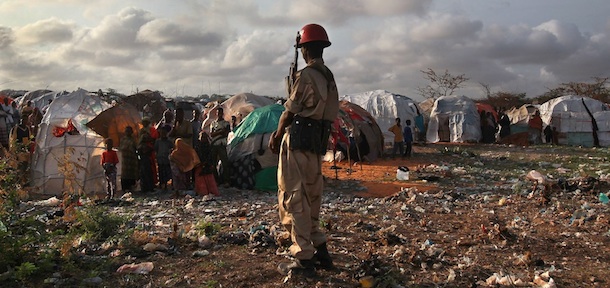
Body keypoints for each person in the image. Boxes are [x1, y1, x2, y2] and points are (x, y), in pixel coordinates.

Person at [268, 23, 338, 278]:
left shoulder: (307, 76)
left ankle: (303, 257)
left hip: (297, 141)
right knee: (311, 196)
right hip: (316, 143)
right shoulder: (328, 76)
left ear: (305, 48)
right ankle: (320, 249)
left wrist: (277, 135)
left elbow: (290, 110)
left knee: (293, 197)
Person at [209, 107, 231, 187]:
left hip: (222, 145)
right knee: (213, 163)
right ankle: (216, 180)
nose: (219, 114)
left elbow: (226, 133)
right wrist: (221, 131)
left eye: (220, 113)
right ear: (216, 113)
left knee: (225, 163)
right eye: (218, 113)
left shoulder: (226, 123)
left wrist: (218, 132)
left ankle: (226, 180)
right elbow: (211, 134)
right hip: (214, 144)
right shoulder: (213, 123)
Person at [194, 131, 219, 197]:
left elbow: (211, 156)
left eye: (204, 137)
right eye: (202, 137)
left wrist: (206, 163)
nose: (203, 138)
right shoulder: (197, 146)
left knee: (209, 179)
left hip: (207, 165)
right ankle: (202, 192)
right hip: (199, 165)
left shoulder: (209, 146)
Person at [137, 118, 157, 193]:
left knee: (149, 169)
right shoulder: (142, 131)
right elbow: (140, 141)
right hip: (143, 152)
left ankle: (150, 185)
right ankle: (145, 186)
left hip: (149, 152)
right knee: (143, 171)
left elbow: (153, 139)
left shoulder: (151, 130)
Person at [119, 126, 138, 193]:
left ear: (131, 132)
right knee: (124, 174)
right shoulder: (123, 139)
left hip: (131, 160)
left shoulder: (133, 140)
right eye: (126, 131)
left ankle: (131, 188)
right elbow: (120, 148)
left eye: (129, 131)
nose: (127, 132)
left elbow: (136, 148)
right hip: (125, 160)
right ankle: (124, 188)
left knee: (131, 174)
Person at [155, 127, 174, 192]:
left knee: (166, 172)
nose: (163, 134)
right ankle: (161, 184)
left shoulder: (169, 141)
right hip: (160, 158)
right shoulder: (158, 141)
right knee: (161, 172)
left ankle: (166, 185)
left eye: (164, 133)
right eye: (162, 133)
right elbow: (156, 149)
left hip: (166, 159)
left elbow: (172, 148)